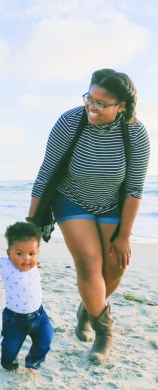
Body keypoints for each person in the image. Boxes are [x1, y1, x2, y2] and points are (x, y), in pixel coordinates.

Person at [27, 69, 150, 364]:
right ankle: (104, 331)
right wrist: (31, 225)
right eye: (89, 99)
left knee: (115, 268)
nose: (92, 108)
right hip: (71, 199)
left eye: (101, 103)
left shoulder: (135, 133)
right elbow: (46, 172)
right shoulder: (71, 121)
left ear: (121, 105)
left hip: (112, 205)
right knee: (89, 263)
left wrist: (124, 236)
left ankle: (88, 309)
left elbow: (134, 189)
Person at [0, 222, 53, 375]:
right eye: (19, 253)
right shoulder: (6, 264)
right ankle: (9, 364)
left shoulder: (34, 264)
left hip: (39, 315)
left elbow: (32, 263)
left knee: (45, 340)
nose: (26, 259)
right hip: (15, 320)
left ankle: (33, 362)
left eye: (32, 254)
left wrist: (35, 261)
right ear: (9, 253)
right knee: (10, 349)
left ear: (37, 252)